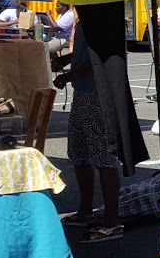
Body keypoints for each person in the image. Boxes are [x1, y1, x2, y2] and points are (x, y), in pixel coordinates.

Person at [53, 21, 124, 242]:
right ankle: (86, 211)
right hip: (83, 93)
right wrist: (65, 61)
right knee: (79, 152)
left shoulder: (100, 14)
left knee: (104, 156)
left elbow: (97, 59)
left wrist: (68, 75)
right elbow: (83, 54)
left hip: (98, 94)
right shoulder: (84, 16)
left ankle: (111, 222)